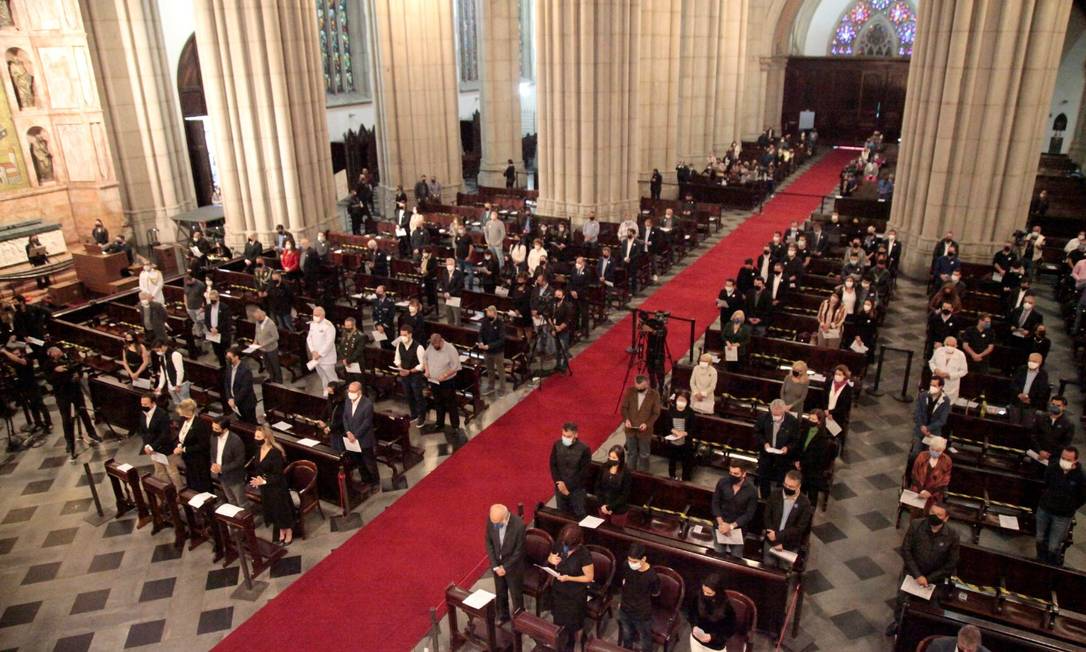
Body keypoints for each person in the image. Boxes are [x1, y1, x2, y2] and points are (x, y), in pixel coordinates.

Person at [886, 502, 959, 636]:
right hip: (913, 573)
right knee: (901, 600)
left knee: (933, 607)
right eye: (932, 513)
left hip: (935, 578)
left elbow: (951, 563)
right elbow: (906, 550)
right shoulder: (916, 525)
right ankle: (898, 623)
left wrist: (929, 579)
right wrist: (917, 575)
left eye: (939, 515)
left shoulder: (952, 535)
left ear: (946, 518)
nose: (934, 516)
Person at [44, 347, 101, 460]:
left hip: (75, 390)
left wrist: (78, 375)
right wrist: (56, 371)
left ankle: (92, 433)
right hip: (62, 394)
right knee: (66, 419)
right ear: (51, 354)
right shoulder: (48, 365)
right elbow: (49, 380)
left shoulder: (68, 358)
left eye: (59, 350)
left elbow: (78, 367)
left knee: (83, 412)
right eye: (56, 351)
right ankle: (69, 442)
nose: (59, 352)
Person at [547, 524, 595, 652]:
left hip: (575, 594)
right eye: (564, 544)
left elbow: (589, 577)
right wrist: (551, 559)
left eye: (568, 545)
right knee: (558, 618)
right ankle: (559, 638)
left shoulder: (584, 555)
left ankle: (572, 642)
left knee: (573, 622)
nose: (565, 547)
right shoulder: (560, 544)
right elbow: (550, 556)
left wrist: (569, 578)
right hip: (559, 589)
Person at [1035, 446, 1086, 565]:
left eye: (1068, 460)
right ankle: (1039, 563)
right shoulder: (1053, 468)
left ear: (1075, 461)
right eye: (1063, 458)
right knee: (1040, 539)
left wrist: (1070, 506)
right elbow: (1046, 483)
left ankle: (1052, 567)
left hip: (1062, 515)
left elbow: (1082, 497)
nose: (1064, 461)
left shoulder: (1081, 476)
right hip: (1045, 509)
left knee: (1054, 545)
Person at [249, 426, 295, 545]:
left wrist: (263, 481)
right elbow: (259, 467)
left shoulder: (275, 453)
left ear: (267, 438)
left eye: (258, 437)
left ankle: (288, 530)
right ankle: (280, 529)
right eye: (255, 436)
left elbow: (278, 475)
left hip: (278, 488)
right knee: (272, 509)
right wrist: (258, 479)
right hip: (266, 488)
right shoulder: (259, 450)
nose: (255, 439)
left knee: (280, 509)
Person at [762, 470, 813, 569]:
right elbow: (767, 516)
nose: (787, 488)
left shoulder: (804, 503)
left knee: (784, 573)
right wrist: (775, 541)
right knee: (767, 570)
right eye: (785, 484)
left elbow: (800, 528)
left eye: (791, 487)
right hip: (771, 542)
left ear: (798, 487)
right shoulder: (775, 494)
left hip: (789, 545)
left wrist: (778, 537)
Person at [485, 504, 526, 622]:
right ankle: (502, 616)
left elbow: (519, 551)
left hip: (513, 567)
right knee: (500, 592)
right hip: (498, 565)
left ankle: (520, 621)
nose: (495, 526)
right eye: (493, 523)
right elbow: (489, 542)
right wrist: (495, 565)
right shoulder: (492, 519)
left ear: (505, 517)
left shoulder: (519, 525)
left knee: (516, 595)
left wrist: (505, 567)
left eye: (497, 523)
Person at [617, 543, 661, 652]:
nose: (631, 563)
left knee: (644, 638)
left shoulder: (652, 576)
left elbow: (656, 593)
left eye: (635, 561)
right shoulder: (626, 565)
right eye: (629, 560)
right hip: (625, 608)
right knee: (627, 635)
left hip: (641, 612)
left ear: (644, 559)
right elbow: (624, 583)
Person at [0, 342, 51, 433]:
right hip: (25, 387)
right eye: (14, 354)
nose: (16, 355)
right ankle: (38, 423)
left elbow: (20, 361)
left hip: (33, 386)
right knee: (32, 406)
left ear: (22, 353)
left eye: (17, 353)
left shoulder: (27, 360)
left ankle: (48, 423)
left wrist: (5, 352)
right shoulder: (15, 363)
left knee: (40, 405)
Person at [711, 462, 758, 557]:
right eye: (730, 473)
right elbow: (715, 503)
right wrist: (721, 524)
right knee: (718, 555)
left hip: (738, 530)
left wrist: (731, 526)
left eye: (736, 474)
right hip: (720, 526)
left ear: (744, 474)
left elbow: (749, 514)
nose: (732, 476)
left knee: (736, 557)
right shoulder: (722, 482)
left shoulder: (752, 490)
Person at [336, 381, 378, 486]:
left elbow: (367, 423)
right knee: (358, 461)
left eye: (353, 391)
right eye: (349, 391)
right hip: (351, 438)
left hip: (364, 438)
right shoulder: (348, 401)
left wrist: (355, 435)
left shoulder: (367, 404)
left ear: (359, 392)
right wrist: (348, 432)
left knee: (369, 462)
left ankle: (375, 482)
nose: (350, 393)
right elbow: (345, 417)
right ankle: (365, 479)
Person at [137, 393, 180, 489]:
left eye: (145, 404)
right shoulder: (143, 414)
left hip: (165, 448)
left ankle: (179, 493)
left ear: (153, 403)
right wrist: (147, 445)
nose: (143, 406)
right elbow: (143, 431)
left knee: (172, 472)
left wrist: (153, 446)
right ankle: (167, 491)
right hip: (152, 449)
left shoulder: (162, 414)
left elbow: (164, 434)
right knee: (160, 471)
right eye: (142, 404)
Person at [756, 399, 799, 496]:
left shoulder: (792, 421)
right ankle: (765, 497)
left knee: (782, 478)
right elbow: (757, 433)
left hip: (783, 456)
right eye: (773, 414)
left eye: (778, 415)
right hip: (766, 453)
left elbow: (795, 440)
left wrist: (787, 448)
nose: (775, 417)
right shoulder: (764, 418)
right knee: (763, 476)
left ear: (784, 411)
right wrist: (764, 443)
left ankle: (779, 498)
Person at [621, 375, 661, 472]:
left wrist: (647, 424)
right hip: (630, 429)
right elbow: (624, 408)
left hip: (645, 431)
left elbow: (656, 413)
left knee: (644, 454)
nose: (639, 390)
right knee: (631, 453)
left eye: (641, 388)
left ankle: (643, 476)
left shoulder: (654, 395)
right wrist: (626, 419)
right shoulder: (630, 391)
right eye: (637, 388)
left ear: (647, 384)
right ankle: (630, 474)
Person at [687, 573, 737, 652]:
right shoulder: (698, 596)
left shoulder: (726, 606)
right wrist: (694, 626)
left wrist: (712, 637)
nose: (705, 594)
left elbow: (729, 629)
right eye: (704, 591)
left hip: (715, 645)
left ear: (717, 592)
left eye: (709, 593)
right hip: (696, 640)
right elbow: (691, 614)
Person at [424, 333, 463, 436]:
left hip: (447, 382)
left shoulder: (450, 349)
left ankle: (455, 427)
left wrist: (445, 375)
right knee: (438, 402)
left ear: (440, 341)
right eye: (432, 345)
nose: (434, 347)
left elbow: (456, 366)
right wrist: (427, 370)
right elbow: (425, 358)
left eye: (436, 345)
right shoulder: (431, 346)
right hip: (434, 381)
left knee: (451, 404)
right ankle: (439, 423)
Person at [549, 422, 590, 518]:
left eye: (568, 436)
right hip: (560, 488)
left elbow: (583, 473)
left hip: (576, 491)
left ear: (576, 434)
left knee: (579, 516)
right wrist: (558, 482)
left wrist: (567, 488)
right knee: (561, 515)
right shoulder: (557, 445)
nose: (565, 438)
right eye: (563, 435)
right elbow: (553, 464)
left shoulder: (584, 449)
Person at [796, 409, 837, 503]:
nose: (810, 421)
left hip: (813, 469)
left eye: (813, 419)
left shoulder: (822, 437)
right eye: (809, 418)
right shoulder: (806, 429)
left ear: (819, 421)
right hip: (803, 464)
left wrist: (801, 463)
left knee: (811, 495)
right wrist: (797, 460)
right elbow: (800, 445)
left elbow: (815, 456)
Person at [174, 399, 212, 492]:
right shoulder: (182, 420)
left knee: (202, 481)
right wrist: (179, 445)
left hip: (199, 459)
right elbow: (181, 435)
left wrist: (184, 449)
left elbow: (204, 445)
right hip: (188, 458)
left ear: (190, 411)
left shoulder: (200, 424)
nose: (181, 415)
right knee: (191, 479)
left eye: (183, 413)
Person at [394, 324, 428, 427]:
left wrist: (411, 370)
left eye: (405, 335)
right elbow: (397, 358)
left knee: (418, 396)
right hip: (404, 375)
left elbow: (422, 364)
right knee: (408, 395)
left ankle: (422, 416)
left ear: (410, 335)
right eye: (401, 335)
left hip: (415, 375)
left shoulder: (419, 347)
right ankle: (414, 414)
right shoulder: (400, 344)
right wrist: (400, 367)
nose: (402, 337)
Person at [210, 416, 247, 506]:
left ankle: (245, 519)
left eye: (216, 429)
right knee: (230, 499)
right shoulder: (214, 437)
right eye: (213, 427)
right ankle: (235, 519)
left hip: (235, 477)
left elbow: (239, 461)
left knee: (241, 502)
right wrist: (213, 464)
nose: (214, 430)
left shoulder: (236, 441)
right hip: (222, 476)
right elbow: (213, 452)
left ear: (225, 429)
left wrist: (222, 468)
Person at [912, 376, 950, 459]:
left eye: (934, 386)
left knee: (928, 456)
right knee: (915, 454)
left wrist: (928, 428)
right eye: (931, 385)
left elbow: (942, 420)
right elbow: (917, 413)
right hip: (919, 430)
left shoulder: (945, 401)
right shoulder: (923, 395)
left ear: (941, 387)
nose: (932, 388)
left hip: (933, 433)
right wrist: (922, 426)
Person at [1031, 396, 1074, 467]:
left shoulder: (1069, 424)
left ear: (1064, 407)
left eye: (1058, 405)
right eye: (1053, 404)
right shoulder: (1041, 417)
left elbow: (1065, 443)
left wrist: (1049, 454)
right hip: (1037, 454)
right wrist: (1040, 451)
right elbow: (1033, 435)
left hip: (1054, 459)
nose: (1055, 407)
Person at [1010, 352, 1050, 427]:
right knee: (1013, 425)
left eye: (1034, 361)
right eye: (1030, 360)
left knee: (1027, 426)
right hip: (1016, 402)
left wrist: (1030, 398)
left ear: (1040, 363)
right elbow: (1013, 383)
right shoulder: (1021, 369)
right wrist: (1019, 394)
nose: (1031, 363)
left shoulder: (1043, 375)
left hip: (1030, 405)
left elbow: (1042, 391)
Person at [594, 444, 632, 523]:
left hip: (618, 509)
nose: (611, 459)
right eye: (610, 457)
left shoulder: (626, 472)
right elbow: (597, 487)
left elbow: (625, 494)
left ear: (620, 459)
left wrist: (610, 507)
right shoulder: (604, 467)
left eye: (614, 458)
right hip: (603, 506)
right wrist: (603, 505)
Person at [910, 436, 953, 504]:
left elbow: (945, 480)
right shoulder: (922, 456)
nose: (934, 452)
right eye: (932, 449)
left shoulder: (947, 460)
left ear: (943, 450)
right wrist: (922, 491)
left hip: (934, 493)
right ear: (929, 447)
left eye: (938, 451)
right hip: (918, 489)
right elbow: (914, 474)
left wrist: (930, 492)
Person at [665, 392, 697, 481]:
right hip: (673, 440)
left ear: (687, 401)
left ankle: (685, 478)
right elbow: (667, 425)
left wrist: (684, 433)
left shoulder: (690, 413)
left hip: (686, 442)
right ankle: (672, 476)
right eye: (679, 400)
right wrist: (673, 430)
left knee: (686, 461)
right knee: (672, 460)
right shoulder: (671, 410)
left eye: (683, 400)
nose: (681, 402)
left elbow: (693, 428)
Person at [307, 306, 339, 389]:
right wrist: (313, 351)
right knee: (322, 376)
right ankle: (326, 391)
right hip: (315, 357)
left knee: (331, 378)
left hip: (326, 358)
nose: (315, 317)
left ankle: (335, 395)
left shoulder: (328, 326)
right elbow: (309, 338)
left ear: (323, 315)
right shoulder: (312, 324)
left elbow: (329, 343)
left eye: (317, 315)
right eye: (314, 315)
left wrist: (320, 354)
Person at [928, 336, 968, 402]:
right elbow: (931, 362)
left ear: (956, 346)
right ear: (944, 344)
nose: (950, 347)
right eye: (948, 345)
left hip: (951, 386)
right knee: (932, 402)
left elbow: (964, 371)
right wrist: (935, 369)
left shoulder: (961, 354)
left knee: (947, 404)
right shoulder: (939, 350)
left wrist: (950, 375)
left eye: (952, 345)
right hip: (936, 382)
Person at [224, 348, 258, 423]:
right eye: (227, 358)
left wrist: (235, 401)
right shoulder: (229, 366)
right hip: (234, 402)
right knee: (241, 422)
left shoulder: (245, 370)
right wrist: (229, 398)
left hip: (246, 403)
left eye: (230, 358)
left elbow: (245, 389)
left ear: (236, 357)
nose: (228, 360)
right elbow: (227, 383)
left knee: (250, 423)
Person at [478, 306, 507, 395]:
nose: (488, 316)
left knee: (500, 371)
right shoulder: (485, 321)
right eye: (487, 314)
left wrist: (489, 346)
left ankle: (502, 388)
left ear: (494, 314)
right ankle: (491, 386)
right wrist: (481, 342)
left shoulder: (500, 323)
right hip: (487, 351)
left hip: (497, 352)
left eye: (490, 314)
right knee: (490, 370)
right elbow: (480, 333)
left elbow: (502, 340)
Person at [153, 339, 188, 405]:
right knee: (178, 405)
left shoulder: (175, 355)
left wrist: (178, 384)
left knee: (186, 405)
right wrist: (160, 386)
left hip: (180, 385)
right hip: (171, 385)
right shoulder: (162, 357)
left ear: (163, 346)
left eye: (157, 350)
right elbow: (163, 372)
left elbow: (180, 371)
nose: (157, 352)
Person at [251, 306, 282, 384]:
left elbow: (276, 337)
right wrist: (255, 341)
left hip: (271, 349)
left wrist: (264, 343)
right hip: (263, 349)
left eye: (257, 318)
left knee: (275, 366)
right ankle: (272, 378)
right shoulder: (258, 322)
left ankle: (278, 381)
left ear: (262, 316)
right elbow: (257, 333)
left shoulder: (270, 324)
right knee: (267, 365)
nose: (256, 320)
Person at [204, 290, 234, 367]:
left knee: (227, 352)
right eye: (211, 300)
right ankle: (222, 366)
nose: (212, 301)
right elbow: (206, 320)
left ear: (218, 298)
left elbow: (226, 321)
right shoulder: (208, 307)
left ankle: (230, 366)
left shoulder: (224, 308)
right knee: (218, 352)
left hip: (223, 334)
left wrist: (217, 329)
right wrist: (210, 328)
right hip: (213, 334)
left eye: (213, 300)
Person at [437, 257, 464, 325]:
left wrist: (450, 293)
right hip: (446, 297)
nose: (449, 266)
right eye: (447, 264)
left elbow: (459, 286)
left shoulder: (459, 274)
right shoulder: (444, 272)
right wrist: (444, 292)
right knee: (449, 316)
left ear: (454, 264)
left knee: (456, 317)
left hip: (455, 297)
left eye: (451, 264)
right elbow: (442, 283)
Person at [183, 273, 207, 340]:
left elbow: (204, 297)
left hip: (199, 307)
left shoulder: (200, 285)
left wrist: (203, 307)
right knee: (196, 321)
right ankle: (199, 335)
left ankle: (206, 335)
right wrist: (186, 304)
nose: (187, 284)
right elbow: (185, 294)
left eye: (188, 282)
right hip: (190, 308)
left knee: (203, 321)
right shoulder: (186, 283)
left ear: (192, 279)